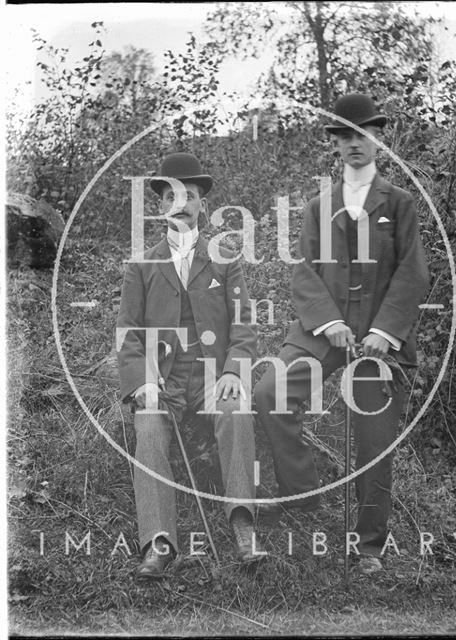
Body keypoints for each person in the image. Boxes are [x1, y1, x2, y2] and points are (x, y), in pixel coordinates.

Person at [254, 94, 429, 575]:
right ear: (334, 142)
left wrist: (384, 332)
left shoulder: (400, 202)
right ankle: (301, 495)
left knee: (374, 439)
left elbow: (413, 275)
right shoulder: (319, 206)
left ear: (378, 139)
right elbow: (304, 271)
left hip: (379, 339)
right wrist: (328, 322)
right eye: (345, 135)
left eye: (364, 134)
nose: (355, 143)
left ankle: (369, 545)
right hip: (323, 331)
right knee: (271, 391)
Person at [117, 152, 264, 579]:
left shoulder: (225, 258)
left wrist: (236, 370)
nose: (180, 203)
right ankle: (159, 543)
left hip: (213, 374)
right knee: (148, 425)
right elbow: (128, 332)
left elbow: (243, 321)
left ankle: (242, 524)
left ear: (202, 205)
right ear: (161, 206)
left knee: (236, 412)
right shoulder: (141, 265)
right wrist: (142, 381)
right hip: (164, 378)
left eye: (190, 196)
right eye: (171, 196)